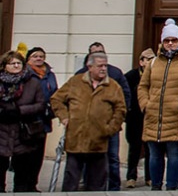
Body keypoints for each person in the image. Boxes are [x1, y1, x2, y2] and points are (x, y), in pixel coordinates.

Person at [138, 18, 178, 191]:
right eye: (167, 40)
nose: (170, 44)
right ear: (162, 42)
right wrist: (145, 104)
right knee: (154, 155)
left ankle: (172, 188)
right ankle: (155, 187)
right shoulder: (152, 63)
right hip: (154, 117)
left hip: (176, 116)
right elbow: (143, 86)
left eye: (174, 40)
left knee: (174, 154)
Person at [51, 52, 127, 192]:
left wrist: (110, 128)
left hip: (99, 142)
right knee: (71, 182)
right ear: (90, 67)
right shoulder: (75, 82)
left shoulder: (113, 86)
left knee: (97, 184)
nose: (104, 69)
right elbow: (56, 99)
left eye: (105, 65)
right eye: (100, 66)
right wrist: (64, 116)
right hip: (75, 140)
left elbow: (121, 110)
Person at [74, 42, 131, 191]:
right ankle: (90, 187)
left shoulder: (115, 73)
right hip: (88, 128)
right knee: (89, 157)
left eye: (101, 52)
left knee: (112, 158)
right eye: (95, 53)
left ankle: (114, 187)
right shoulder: (80, 75)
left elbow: (125, 97)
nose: (99, 56)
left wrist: (117, 119)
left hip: (110, 126)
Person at [15, 47, 58, 192]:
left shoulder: (49, 74)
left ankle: (32, 184)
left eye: (41, 56)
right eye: (35, 56)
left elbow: (55, 93)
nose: (39, 59)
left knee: (38, 156)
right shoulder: (24, 74)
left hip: (43, 121)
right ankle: (22, 185)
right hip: (26, 120)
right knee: (24, 155)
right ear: (28, 59)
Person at [0, 51, 44, 192]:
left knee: (22, 175)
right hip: (2, 131)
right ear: (5, 65)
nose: (16, 65)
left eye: (19, 63)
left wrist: (20, 111)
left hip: (23, 133)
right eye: (12, 63)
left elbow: (40, 104)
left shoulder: (32, 82)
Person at [123, 49, 154, 188]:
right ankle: (131, 177)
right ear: (141, 62)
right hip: (134, 117)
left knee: (150, 149)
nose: (150, 62)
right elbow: (125, 95)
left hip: (150, 117)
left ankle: (150, 177)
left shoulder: (156, 75)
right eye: (147, 59)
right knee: (134, 148)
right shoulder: (131, 76)